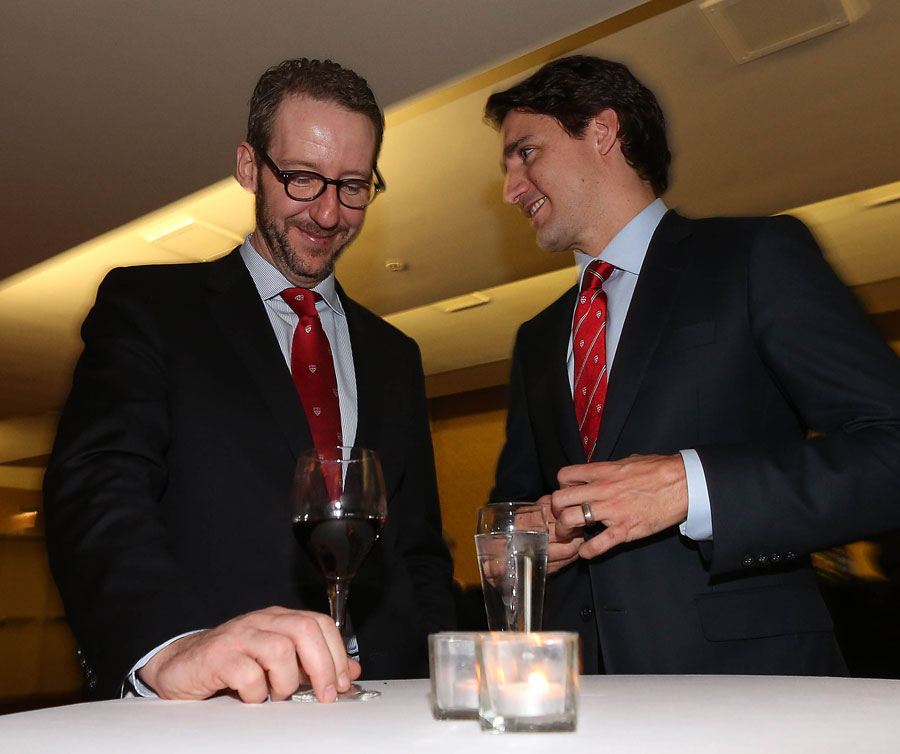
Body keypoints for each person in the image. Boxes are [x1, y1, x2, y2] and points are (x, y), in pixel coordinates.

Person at [44, 58, 455, 702]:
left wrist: (436, 680)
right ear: (247, 166)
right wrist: (169, 644)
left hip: (391, 701)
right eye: (300, 178)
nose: (328, 213)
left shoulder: (396, 353)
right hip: (229, 705)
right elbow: (99, 488)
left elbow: (421, 549)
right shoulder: (148, 308)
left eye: (353, 185)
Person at [484, 55, 900, 675]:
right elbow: (516, 504)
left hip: (750, 692)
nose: (511, 187)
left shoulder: (756, 256)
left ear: (602, 132)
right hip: (578, 695)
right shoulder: (537, 337)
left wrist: (694, 486)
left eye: (526, 153)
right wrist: (518, 543)